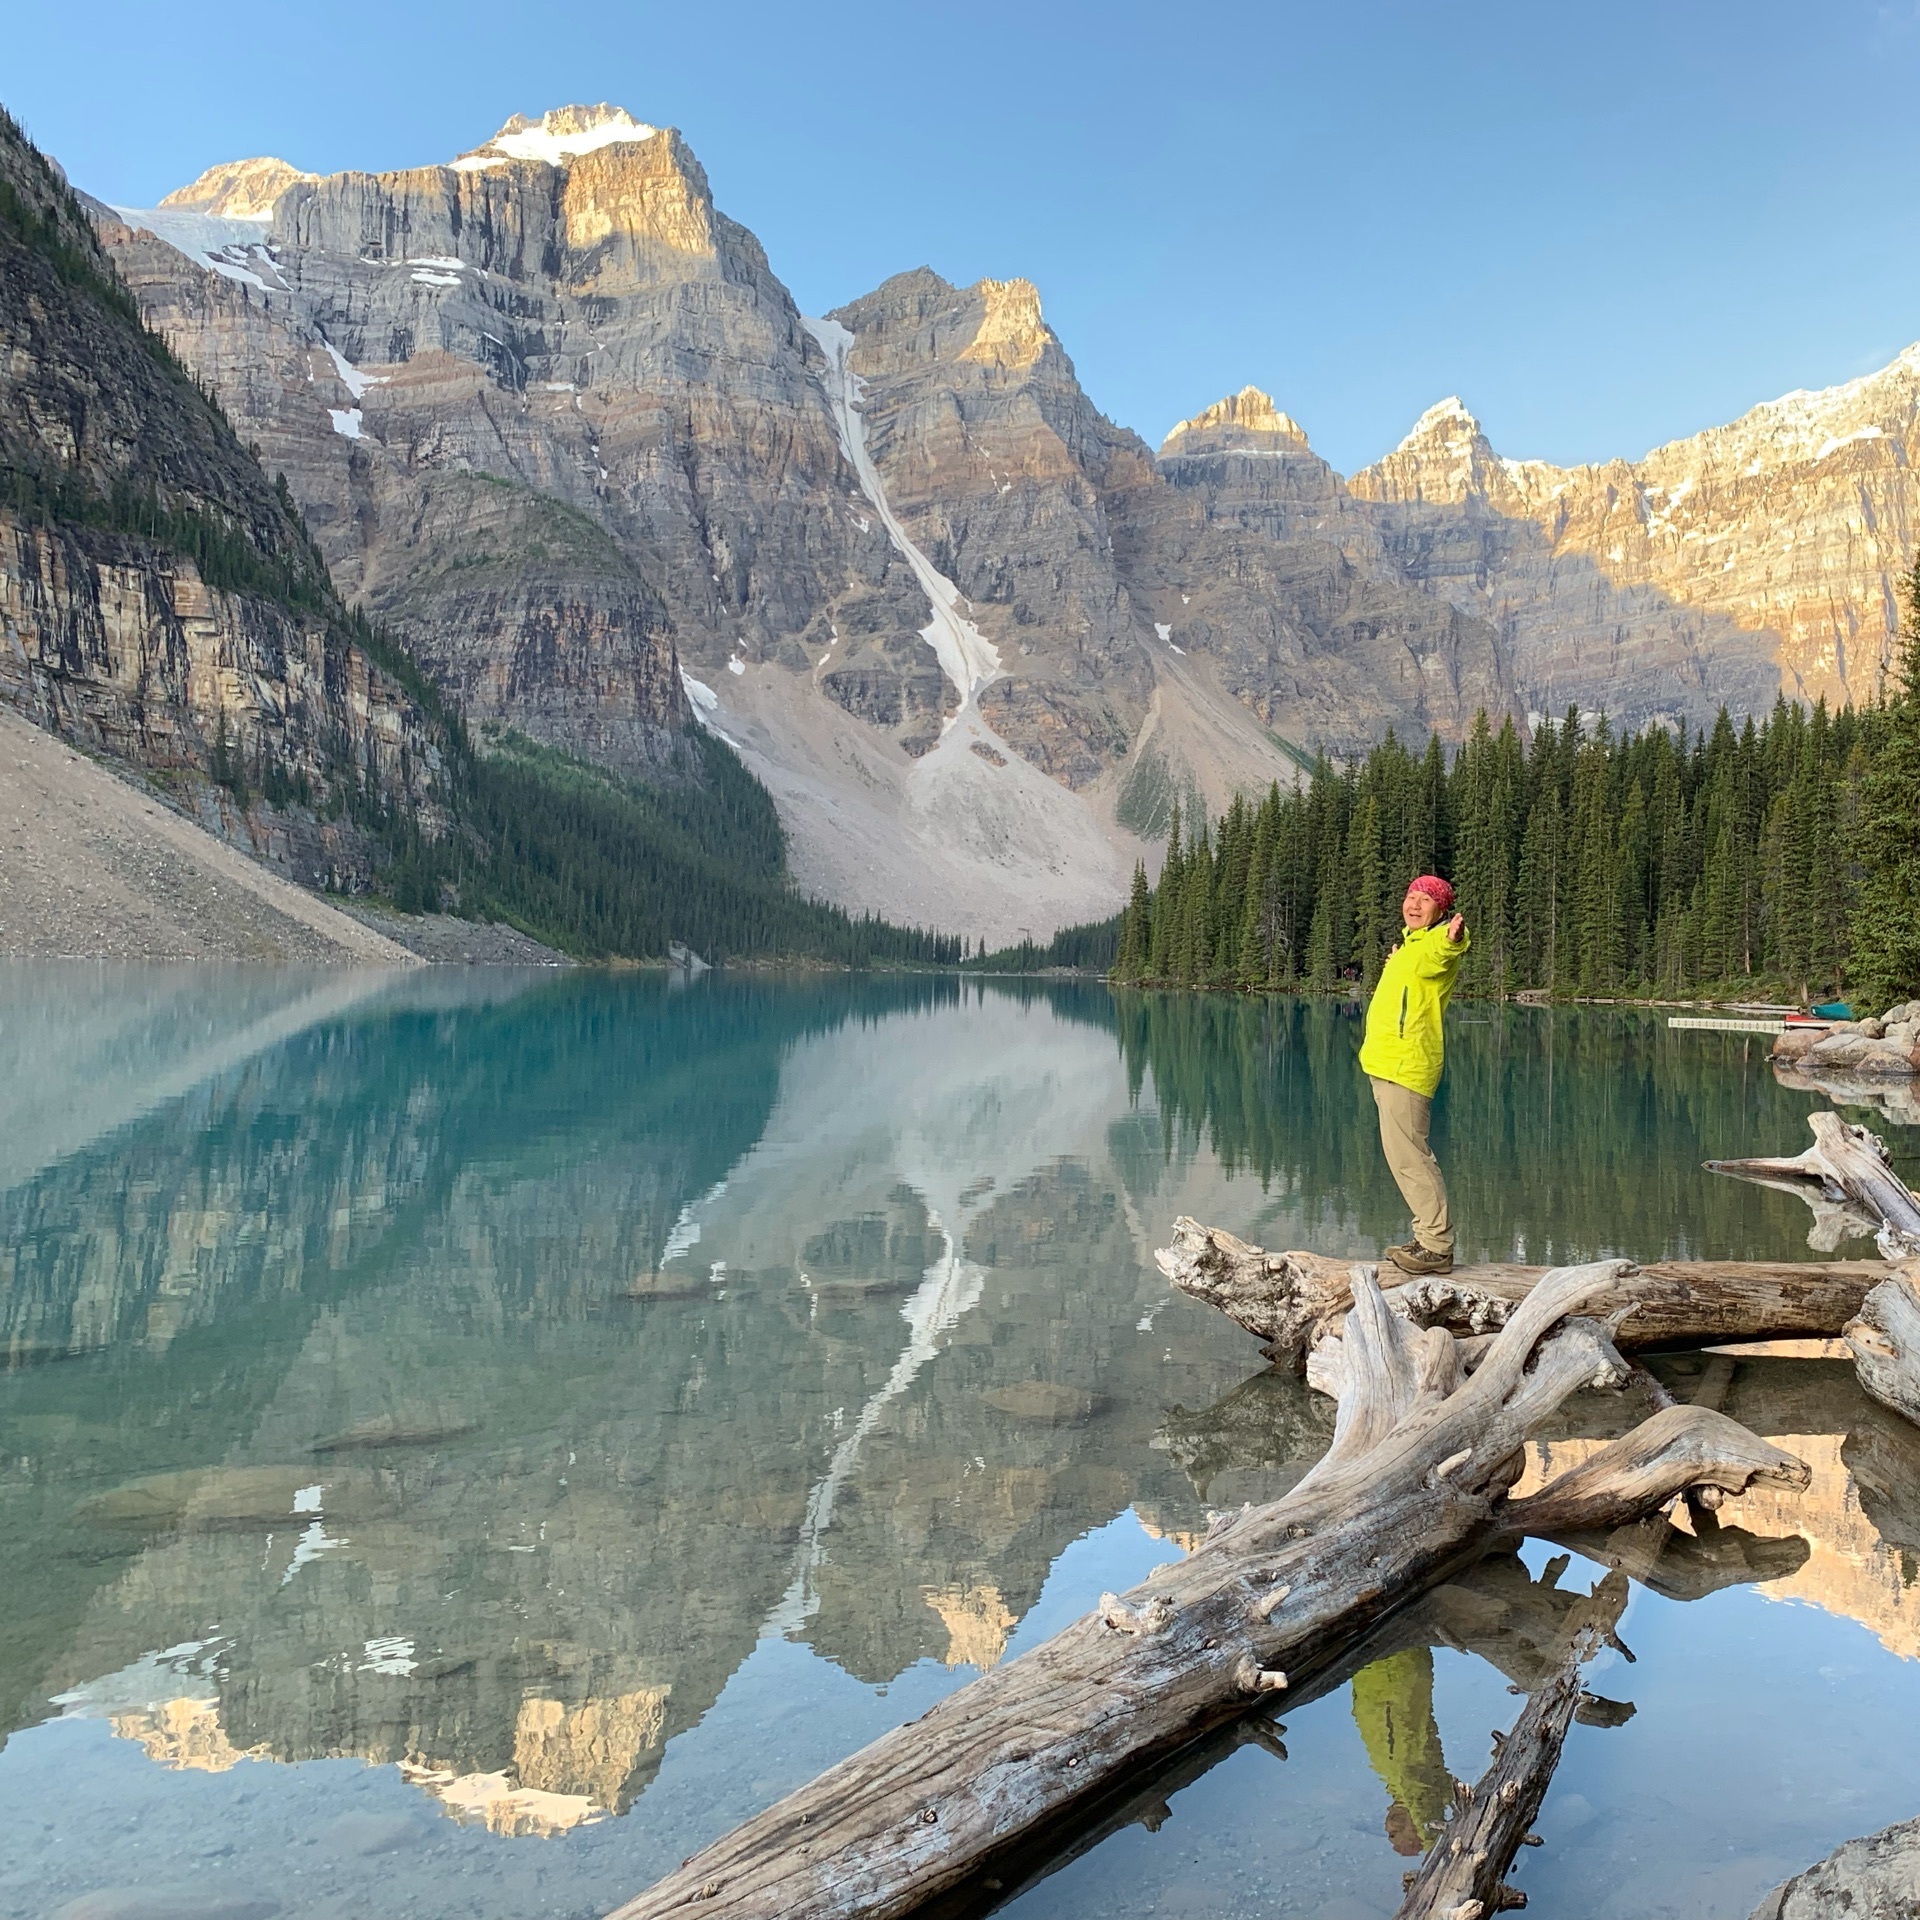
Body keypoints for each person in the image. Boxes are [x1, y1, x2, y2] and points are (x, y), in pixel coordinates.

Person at [1358, 874, 1468, 1276]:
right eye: (1411, 897)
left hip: (1408, 1066)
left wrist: (1453, 938)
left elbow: (1446, 952)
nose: (1415, 904)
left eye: (1426, 899)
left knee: (1412, 1159)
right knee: (1402, 1156)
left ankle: (1436, 1245)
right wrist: (1399, 958)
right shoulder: (1409, 947)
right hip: (1386, 1064)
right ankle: (1426, 1236)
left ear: (1441, 910)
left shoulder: (1436, 943)